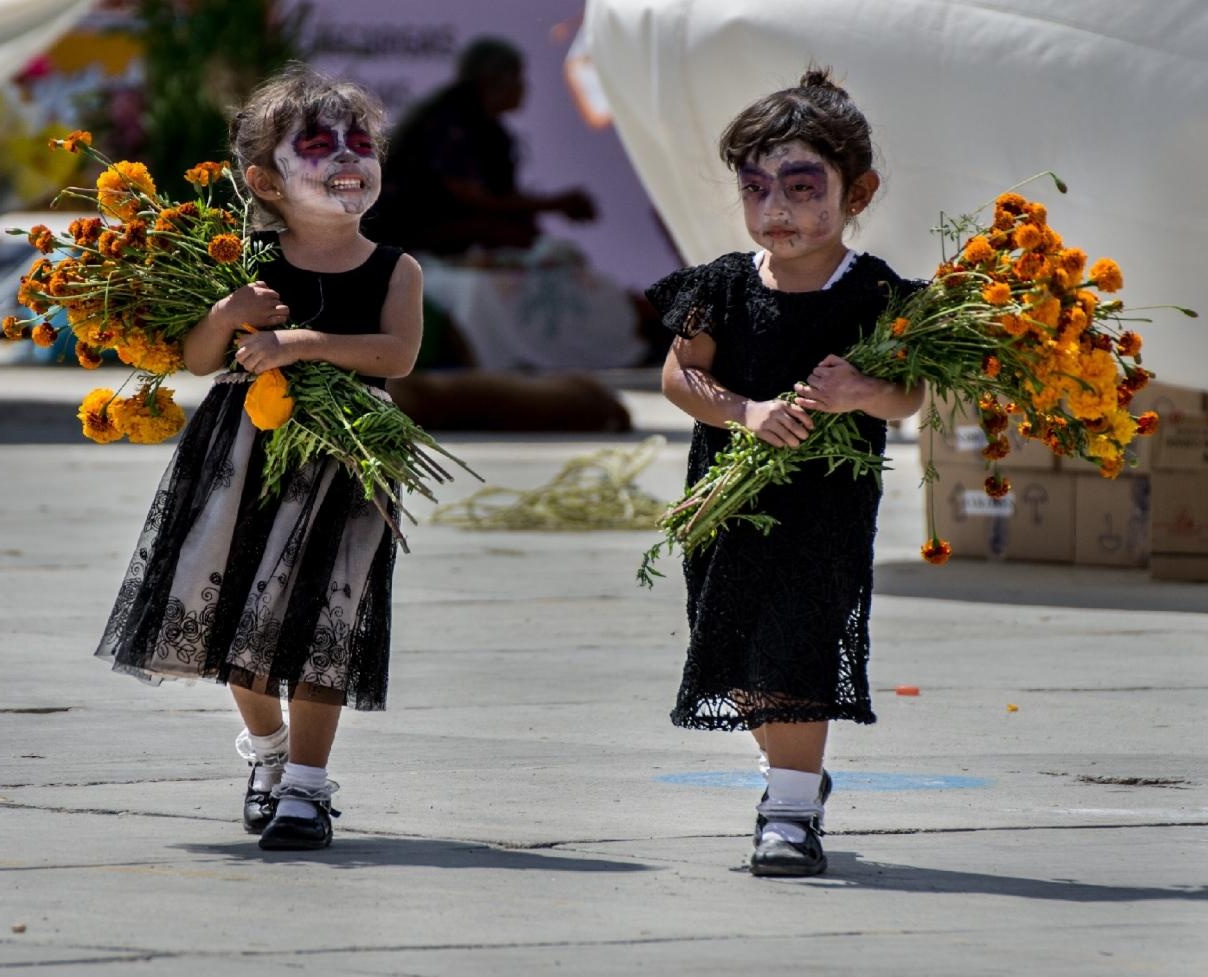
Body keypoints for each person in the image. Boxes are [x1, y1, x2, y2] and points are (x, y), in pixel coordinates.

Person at [93, 65, 422, 851]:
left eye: (360, 141)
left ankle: (308, 786)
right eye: (319, 144)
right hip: (243, 456)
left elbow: (397, 355)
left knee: (325, 618)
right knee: (236, 613)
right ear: (265, 180)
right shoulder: (238, 259)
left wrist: (304, 344)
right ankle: (268, 751)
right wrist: (226, 311)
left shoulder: (394, 267)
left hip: (349, 463)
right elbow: (201, 360)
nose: (347, 156)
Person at [646, 67, 925, 877]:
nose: (777, 210)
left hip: (826, 508)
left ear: (857, 191)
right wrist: (747, 412)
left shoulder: (877, 295)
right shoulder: (723, 286)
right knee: (733, 652)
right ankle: (793, 770)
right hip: (725, 502)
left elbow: (908, 397)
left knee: (798, 645)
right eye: (757, 188)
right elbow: (677, 375)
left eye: (802, 187)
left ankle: (790, 812)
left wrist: (859, 391)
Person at [369, 37, 596, 255]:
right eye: (517, 77)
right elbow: (473, 200)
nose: (524, 87)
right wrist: (555, 204)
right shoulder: (450, 121)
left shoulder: (488, 128)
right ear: (492, 80)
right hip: (406, 235)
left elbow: (498, 195)